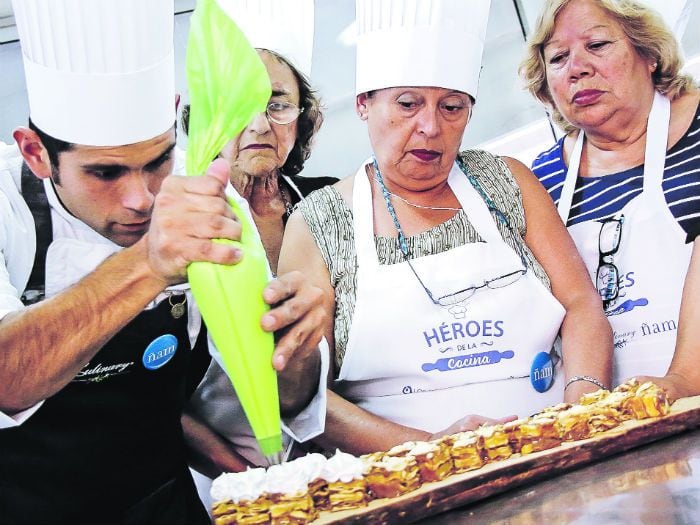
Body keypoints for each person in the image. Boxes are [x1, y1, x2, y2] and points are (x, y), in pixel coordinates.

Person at [0, 1, 327, 523]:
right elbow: (6, 378)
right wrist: (148, 264)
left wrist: (298, 352)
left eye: (158, 161)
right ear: (36, 152)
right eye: (105, 173)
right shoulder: (6, 206)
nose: (142, 199)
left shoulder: (210, 202)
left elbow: (232, 398)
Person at [278, 0, 613, 456]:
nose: (430, 127)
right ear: (364, 105)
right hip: (409, 477)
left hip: (556, 448)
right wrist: (433, 449)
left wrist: (582, 408)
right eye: (407, 104)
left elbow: (581, 305)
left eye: (452, 107)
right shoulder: (318, 222)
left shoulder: (506, 182)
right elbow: (309, 399)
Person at [178, 0, 337, 508]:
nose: (261, 123)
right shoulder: (176, 225)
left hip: (347, 458)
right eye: (237, 102)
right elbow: (153, 399)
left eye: (277, 103)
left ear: (302, 116)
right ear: (201, 116)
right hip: (225, 482)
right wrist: (252, 480)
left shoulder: (333, 202)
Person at [521, 0, 700, 390]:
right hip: (608, 412)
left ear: (648, 53)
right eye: (558, 58)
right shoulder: (542, 179)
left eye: (597, 45)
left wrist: (682, 382)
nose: (577, 68)